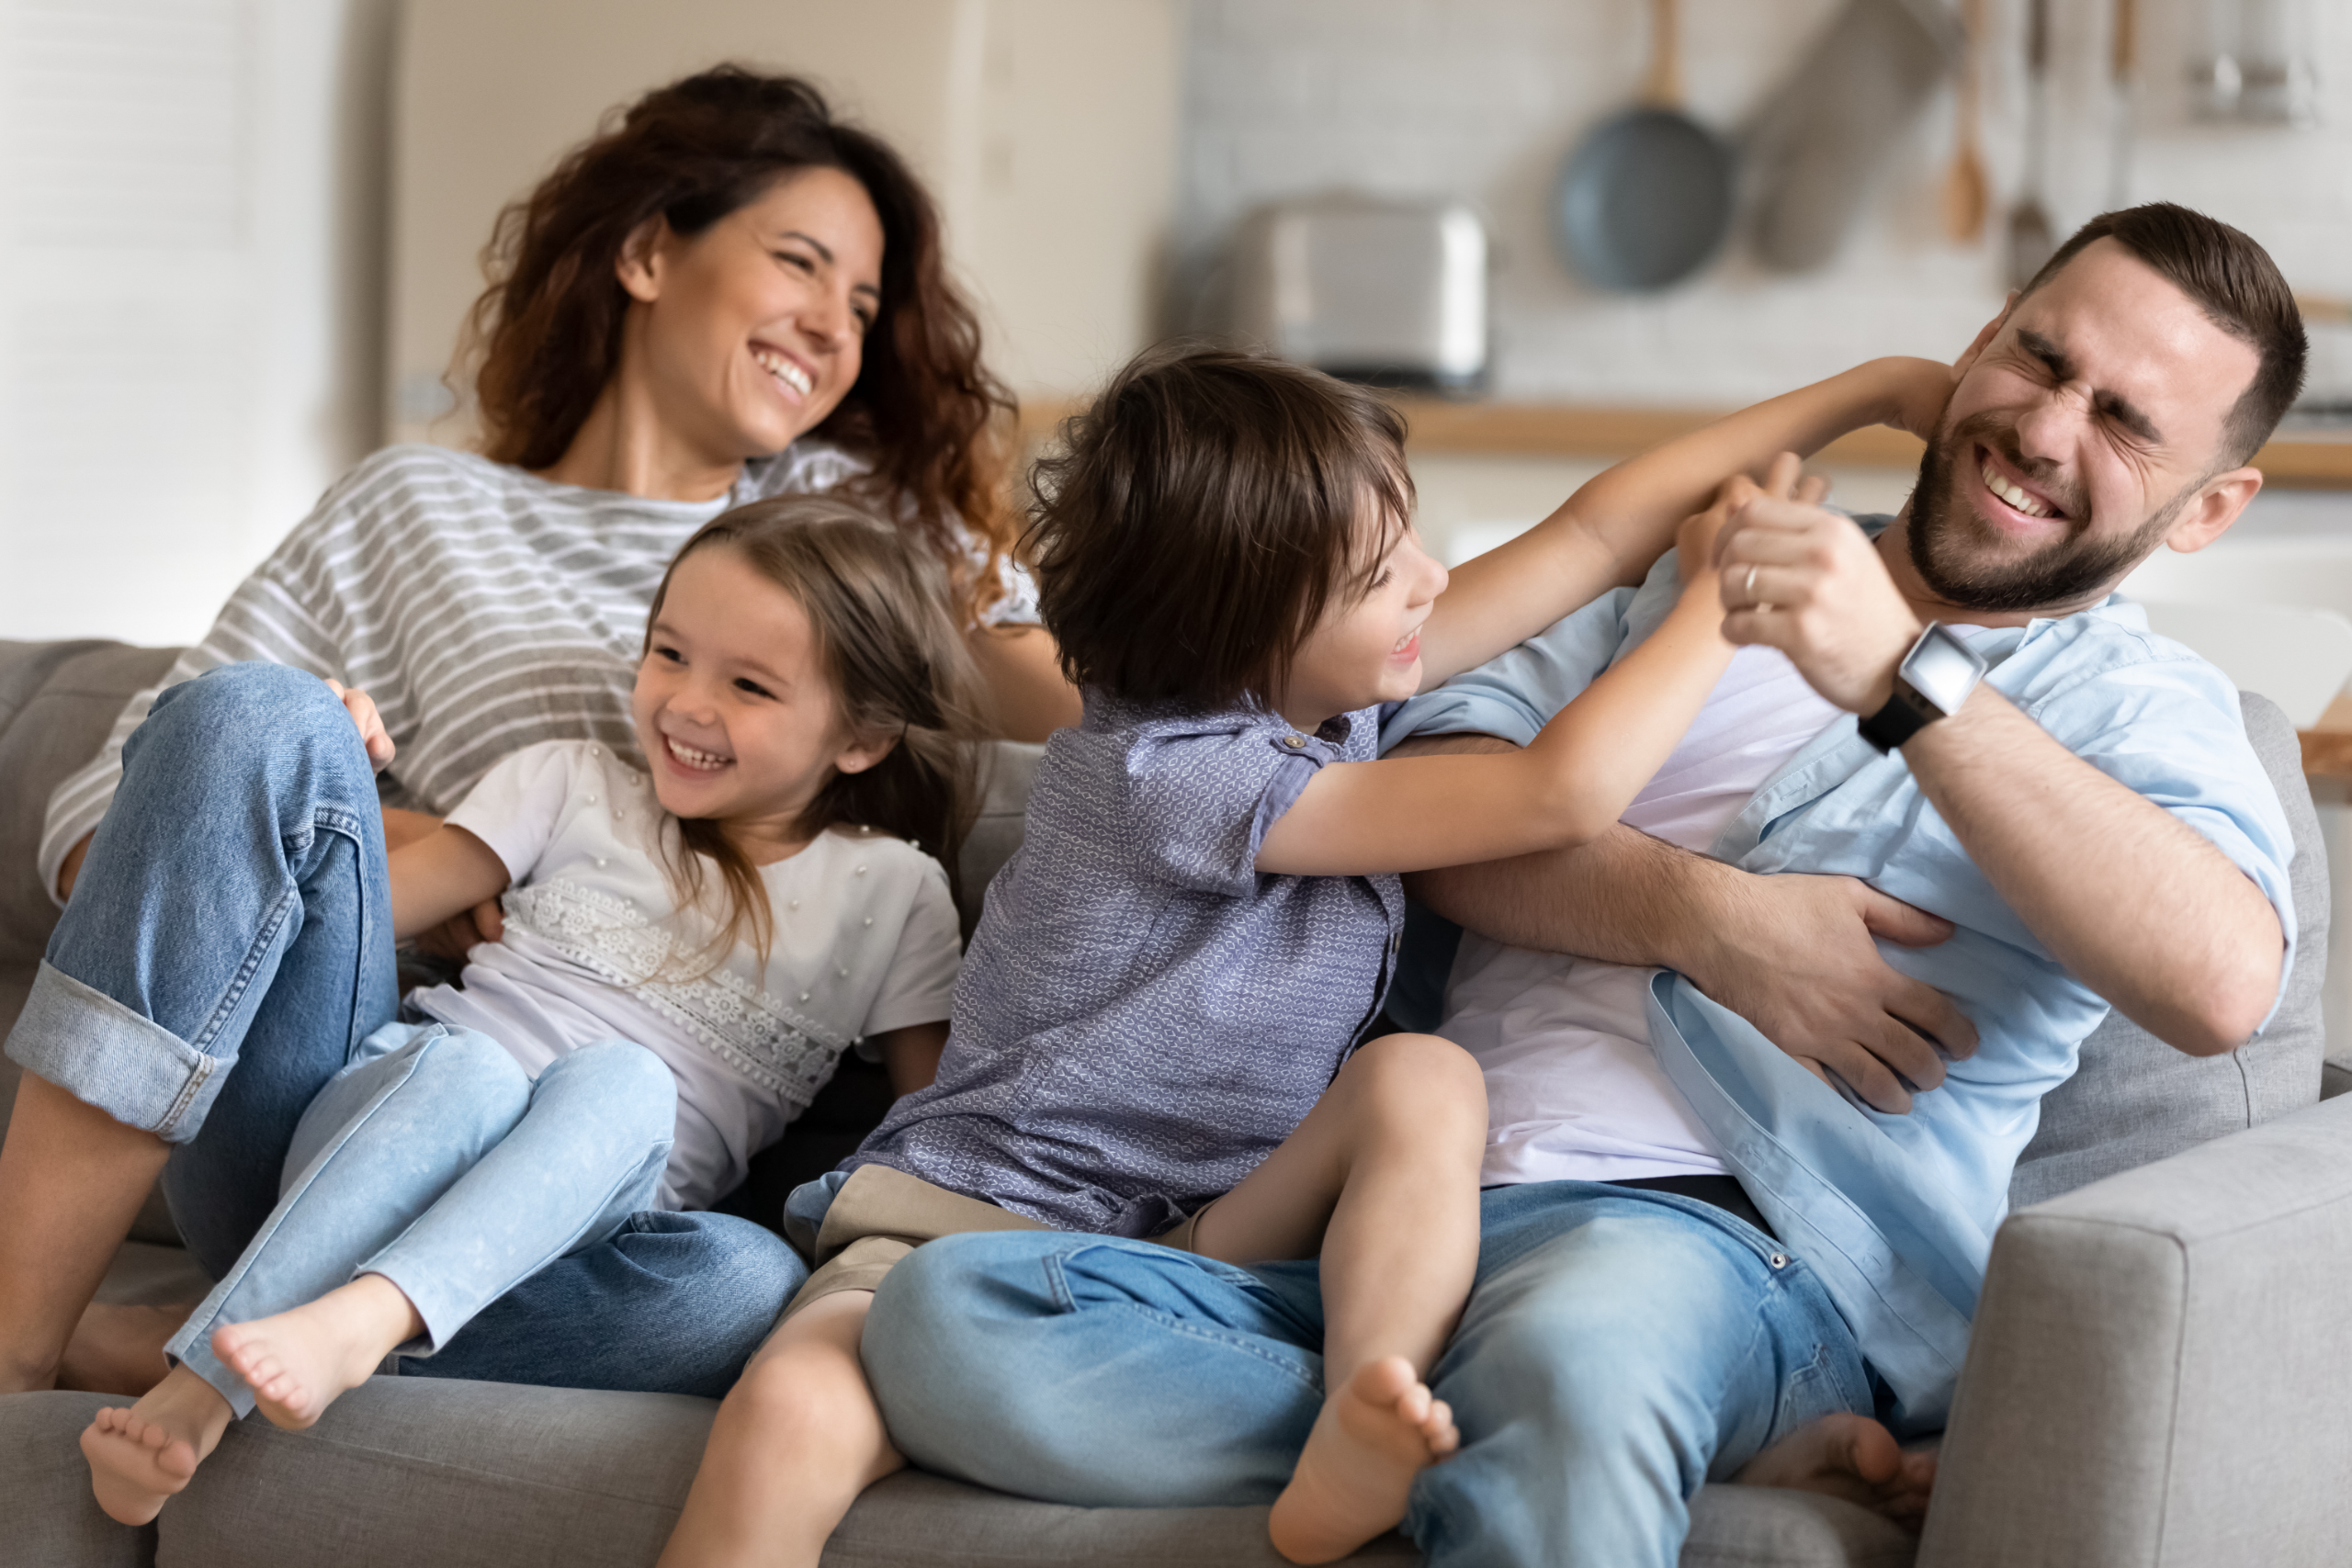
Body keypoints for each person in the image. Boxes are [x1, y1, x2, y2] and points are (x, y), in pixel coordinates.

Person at [847, 204, 2305, 1568]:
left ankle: (1567, 1415)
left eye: (2123, 420)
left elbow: (2222, 980)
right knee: (941, 1320)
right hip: (1385, 1222)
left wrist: (1905, 679)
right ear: (1985, 334)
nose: (2046, 426)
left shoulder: (2144, 711)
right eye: (2042, 357)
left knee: (1575, 1348)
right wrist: (1704, 918)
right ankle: (1474, 1430)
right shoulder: (1678, 586)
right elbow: (1424, 801)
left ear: (2208, 504)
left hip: (1707, 1244)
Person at [651, 344, 1962, 1568]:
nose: (1434, 581)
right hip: (977, 1217)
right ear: (1247, 625)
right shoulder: (1173, 769)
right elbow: (1556, 794)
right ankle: (1616, 1444)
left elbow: (1595, 530)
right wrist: (1718, 605)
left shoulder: (1325, 690)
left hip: (1214, 1240)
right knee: (797, 1404)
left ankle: (1365, 1411)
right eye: (1382, 572)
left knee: (1424, 1080)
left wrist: (1865, 391)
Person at [0, 65, 1070, 1401]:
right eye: (800, 263)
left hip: (573, 1197)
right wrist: (395, 840)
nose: (834, 326)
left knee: (728, 1287)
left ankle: (238, 1330)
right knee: (254, 714)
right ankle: (22, 1347)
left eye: (862, 306)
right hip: (353, 1092)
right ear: (643, 254)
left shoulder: (867, 527)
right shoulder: (413, 507)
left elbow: (1092, 707)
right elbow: (119, 821)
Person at [73, 496, 977, 1525]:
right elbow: (349, 920)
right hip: (361, 1140)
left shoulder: (896, 894)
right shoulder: (568, 780)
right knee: (470, 1067)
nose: (684, 702)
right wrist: (318, 773)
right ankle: (215, 1382)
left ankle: (297, 1325)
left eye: (750, 685)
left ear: (861, 737)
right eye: (669, 652)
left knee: (743, 1276)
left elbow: (932, 1127)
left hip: (554, 1247)